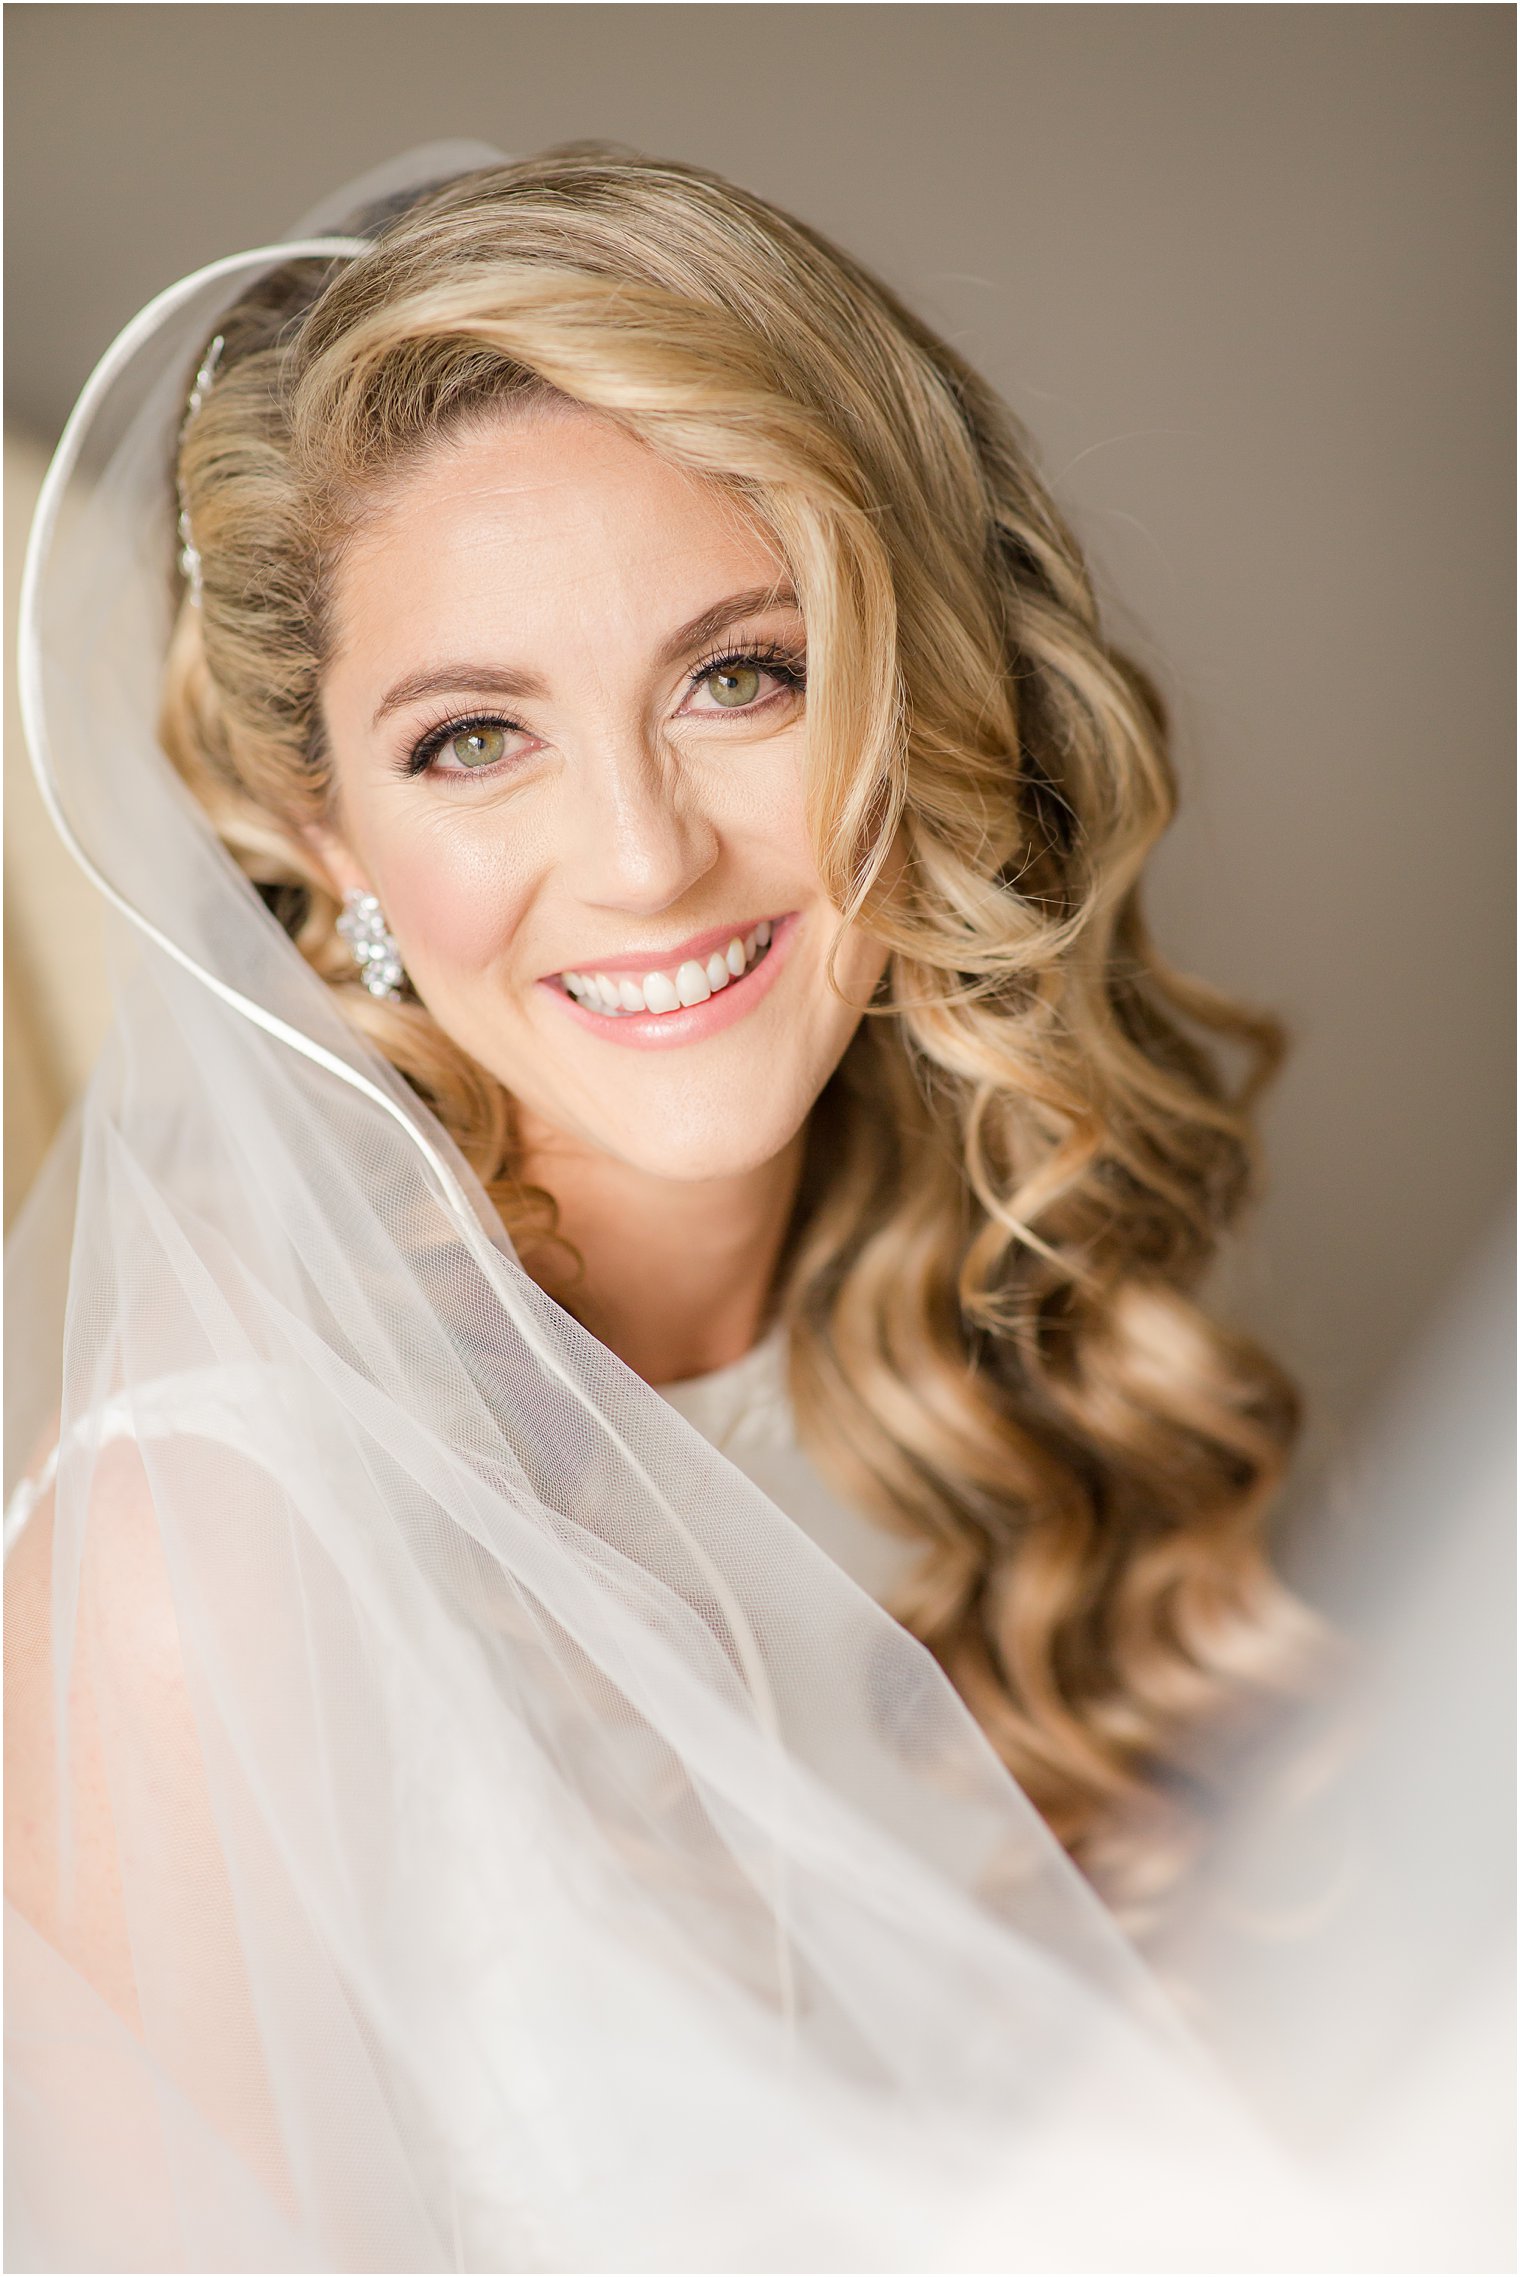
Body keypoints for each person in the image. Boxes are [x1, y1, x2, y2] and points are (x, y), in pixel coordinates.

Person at [5, 145, 1333, 2270]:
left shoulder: (997, 1321)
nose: (641, 855)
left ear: (924, 683)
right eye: (470, 740)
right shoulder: (212, 1568)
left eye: (742, 675)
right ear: (311, 828)